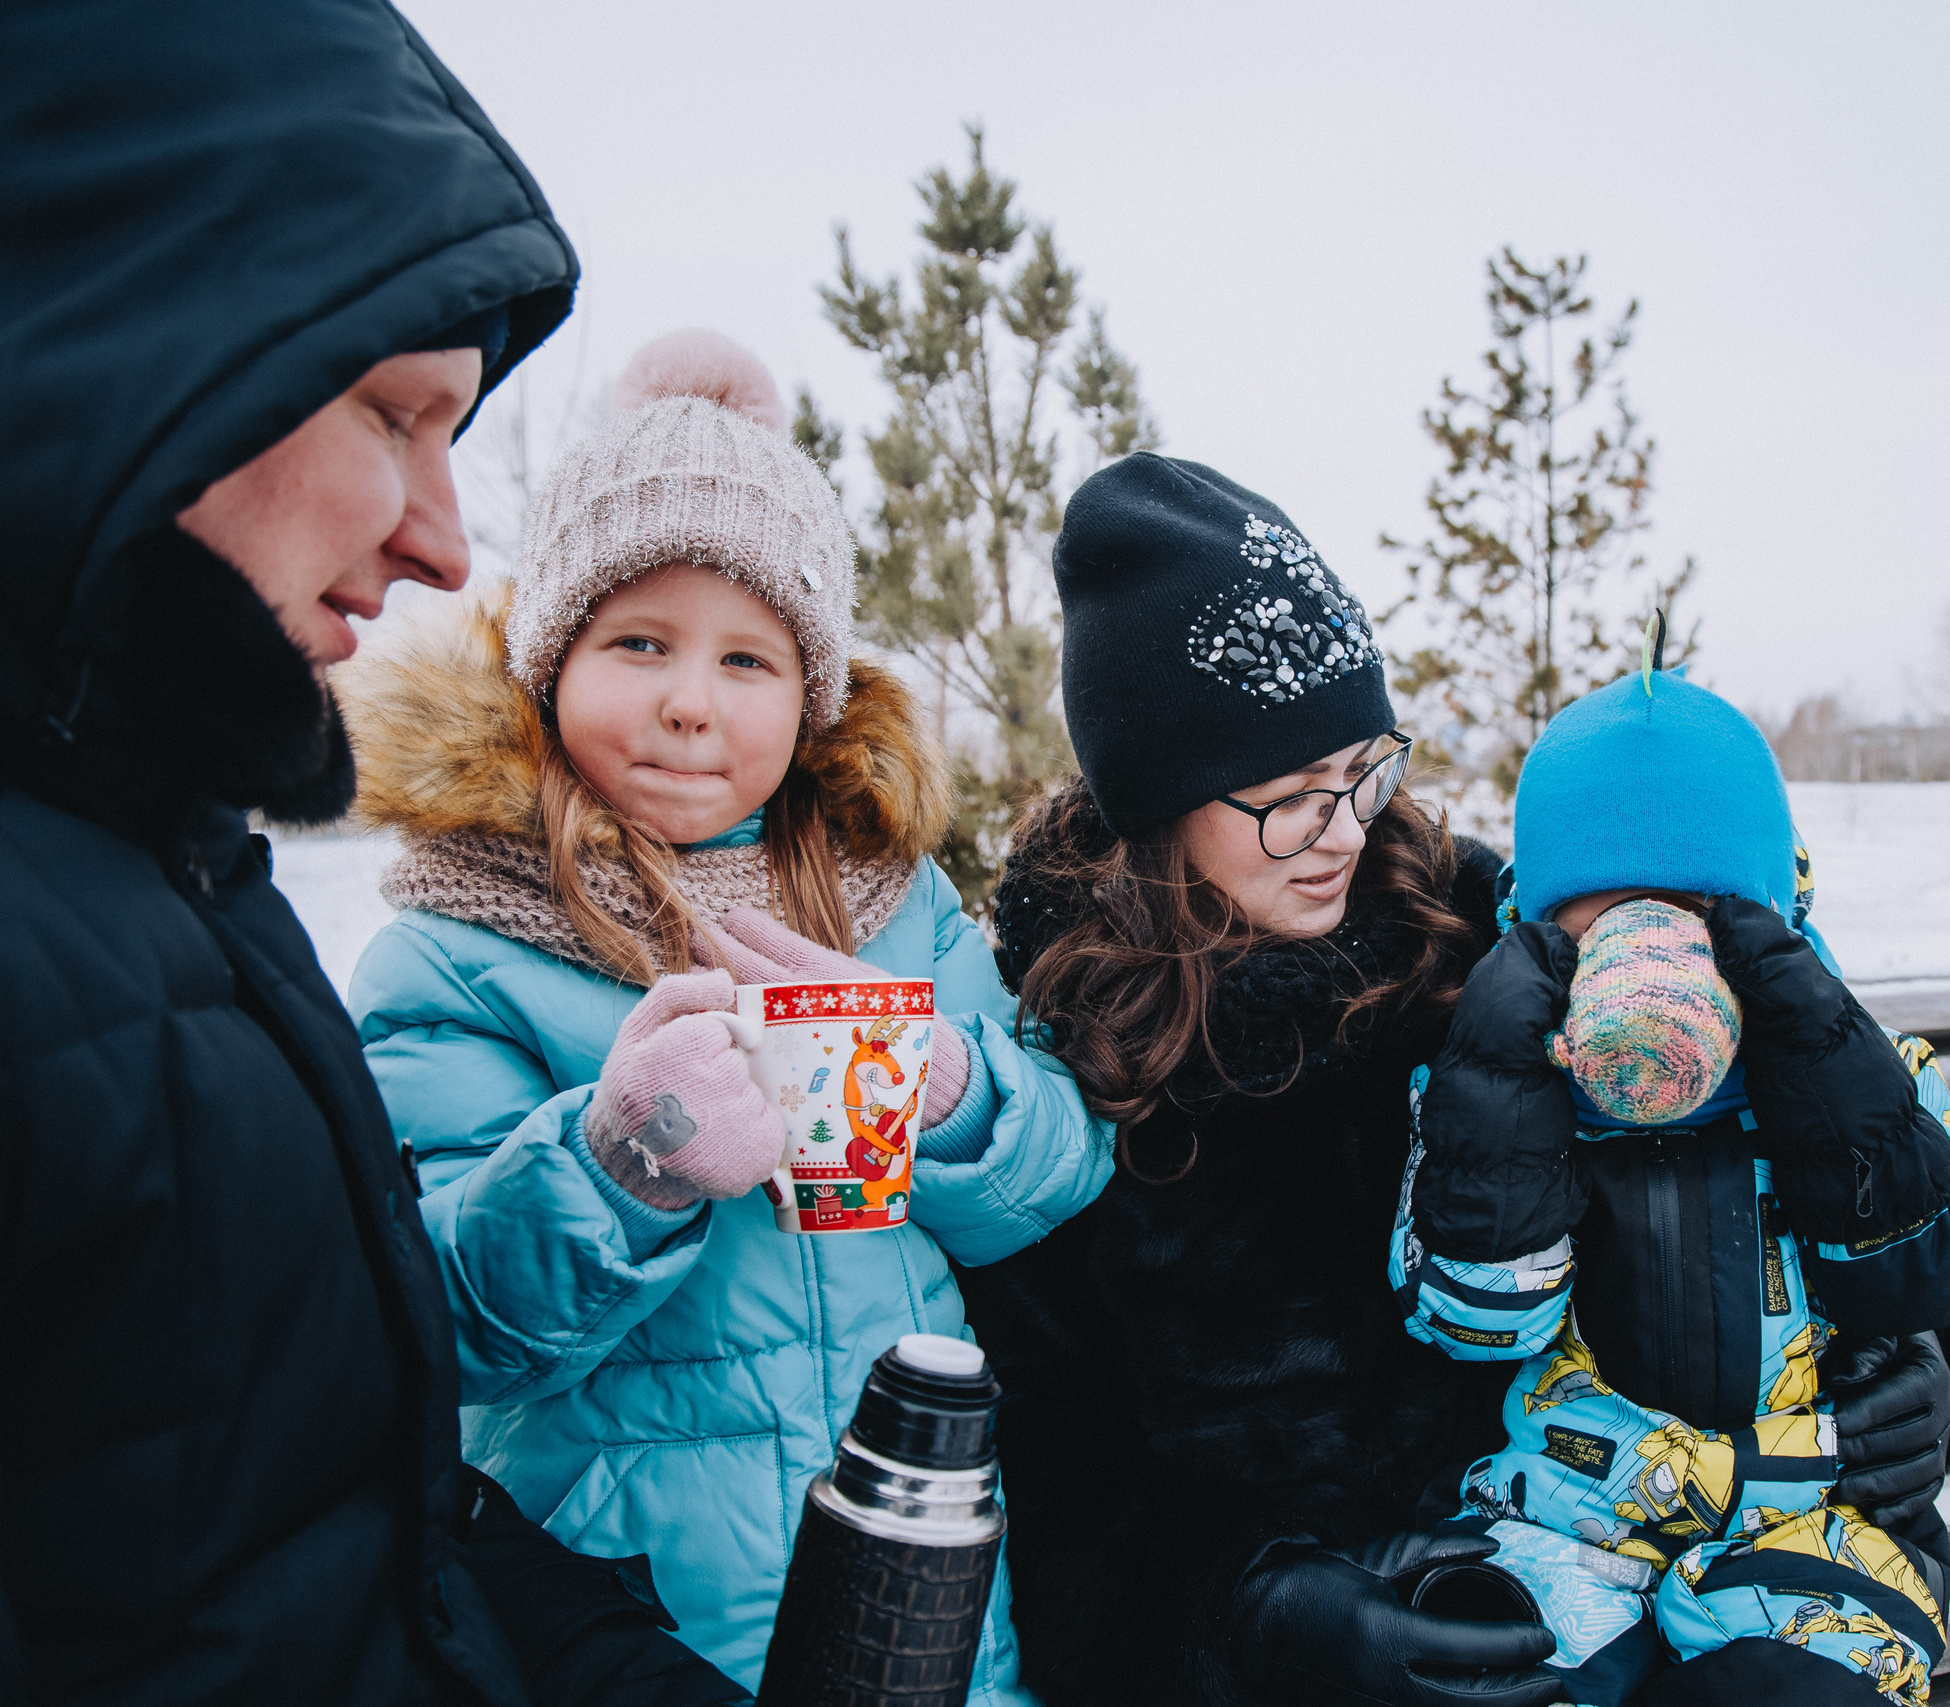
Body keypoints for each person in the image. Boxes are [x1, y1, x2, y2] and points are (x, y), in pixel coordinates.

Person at [961, 453, 1950, 1707]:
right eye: (1288, 800)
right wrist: (1253, 1614)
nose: (1343, 829)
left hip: (1629, 1556)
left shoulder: (1490, 939)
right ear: (1159, 805)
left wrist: (1917, 1368)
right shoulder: (1068, 1050)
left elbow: (1756, 1169)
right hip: (1346, 1651)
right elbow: (1060, 1477)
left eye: (1362, 770)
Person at [1, 3, 748, 1702]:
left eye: (459, 436)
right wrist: (618, 1165)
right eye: (390, 414)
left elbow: (340, 1510)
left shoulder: (184, 886)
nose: (438, 534)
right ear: (149, 342)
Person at [334, 330, 1115, 1696]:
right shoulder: (455, 945)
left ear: (811, 695)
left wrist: (957, 1091)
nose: (693, 702)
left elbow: (1050, 1180)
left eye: (750, 660)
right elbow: (433, 1319)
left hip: (926, 1597)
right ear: (551, 656)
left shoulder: (893, 895)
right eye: (641, 642)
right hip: (626, 1614)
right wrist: (618, 1162)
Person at [1393, 662, 1950, 1704]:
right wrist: (1495, 1099)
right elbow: (1477, 1320)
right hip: (1564, 1521)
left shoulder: (1863, 1071)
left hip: (1813, 1531)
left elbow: (1934, 1279)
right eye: (1605, 934)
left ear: (1767, 927)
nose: (1653, 976)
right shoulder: (1487, 1091)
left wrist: (1829, 1072)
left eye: (1693, 928)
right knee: (1485, 1674)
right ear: (1542, 941)